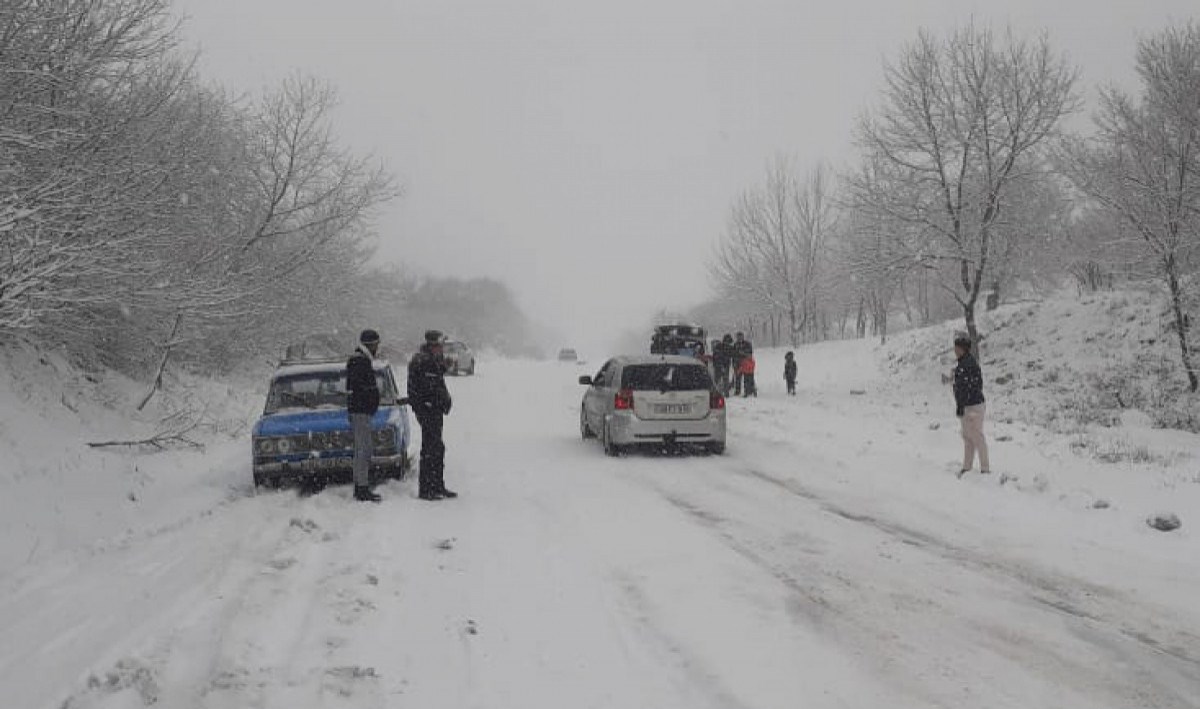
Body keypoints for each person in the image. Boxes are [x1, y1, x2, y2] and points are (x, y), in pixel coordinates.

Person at [408, 330, 457, 500]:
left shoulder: (428, 359)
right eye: (440, 345)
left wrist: (444, 366)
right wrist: (434, 403)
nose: (442, 349)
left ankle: (437, 485)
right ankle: (427, 489)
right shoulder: (423, 360)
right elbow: (429, 388)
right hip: (429, 411)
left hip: (433, 410)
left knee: (437, 448)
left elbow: (434, 377)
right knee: (430, 449)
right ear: (433, 345)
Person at [347, 329, 383, 502]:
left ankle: (361, 484)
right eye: (376, 344)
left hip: (361, 411)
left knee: (362, 449)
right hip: (361, 412)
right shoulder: (360, 361)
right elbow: (362, 388)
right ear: (371, 344)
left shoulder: (360, 360)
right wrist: (371, 400)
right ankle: (361, 488)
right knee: (363, 450)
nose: (378, 347)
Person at [952, 335, 990, 478]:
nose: (954, 350)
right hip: (967, 405)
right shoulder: (963, 364)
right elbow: (961, 386)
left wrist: (964, 401)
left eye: (957, 347)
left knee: (977, 437)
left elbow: (973, 386)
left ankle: (985, 469)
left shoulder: (968, 364)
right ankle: (967, 467)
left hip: (973, 406)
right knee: (968, 438)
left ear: (963, 349)